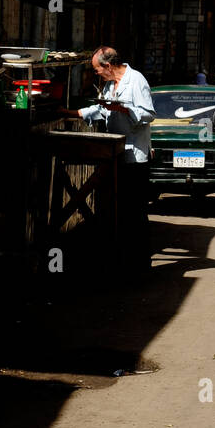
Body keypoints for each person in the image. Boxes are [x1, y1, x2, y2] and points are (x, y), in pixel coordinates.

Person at [61, 46, 156, 272]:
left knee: (135, 212)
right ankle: (122, 262)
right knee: (119, 211)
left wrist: (124, 110)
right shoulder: (110, 85)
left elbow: (148, 113)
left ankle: (141, 265)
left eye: (97, 70)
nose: (96, 74)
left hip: (135, 157)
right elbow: (101, 109)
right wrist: (73, 113)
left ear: (108, 66)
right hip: (117, 155)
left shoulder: (136, 80)